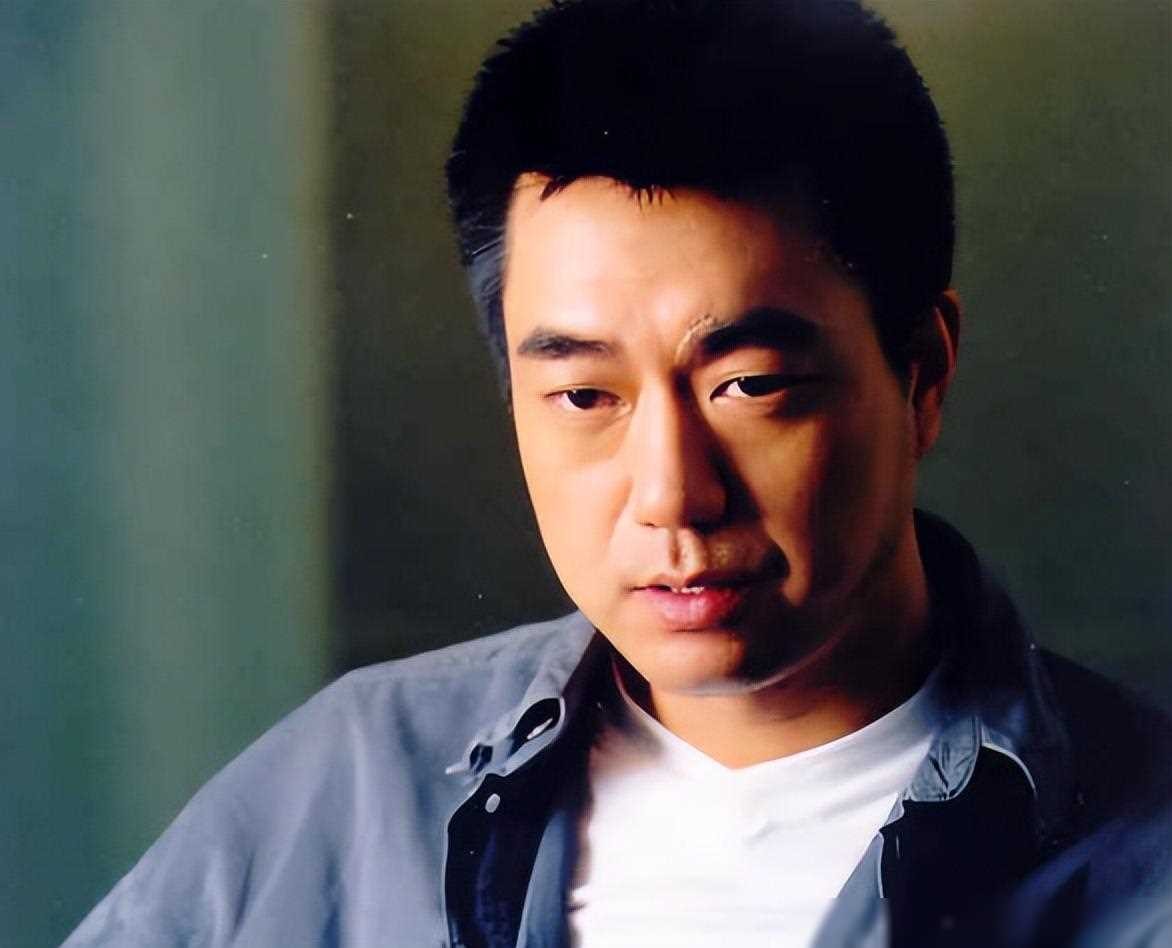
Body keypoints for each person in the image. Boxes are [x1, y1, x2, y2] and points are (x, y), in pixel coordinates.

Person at [64, 1, 1171, 946]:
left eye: (748, 385)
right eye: (586, 397)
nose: (672, 495)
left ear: (920, 370)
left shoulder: (1143, 857)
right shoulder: (348, 785)